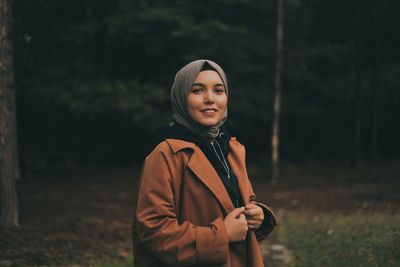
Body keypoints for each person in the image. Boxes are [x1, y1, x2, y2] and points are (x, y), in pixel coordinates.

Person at [132, 59, 276, 267]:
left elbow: (241, 200)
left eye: (218, 90)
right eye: (197, 91)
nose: (210, 99)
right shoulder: (166, 153)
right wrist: (222, 236)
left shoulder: (231, 148)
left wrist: (258, 214)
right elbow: (154, 230)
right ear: (181, 97)